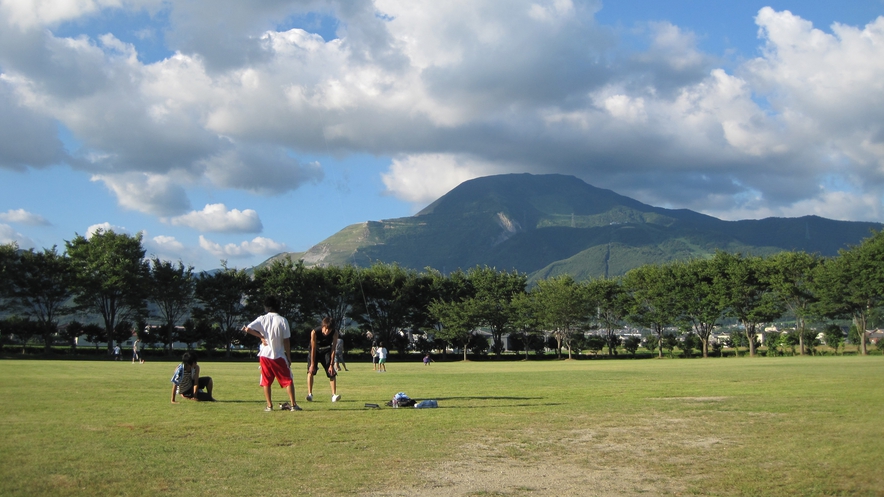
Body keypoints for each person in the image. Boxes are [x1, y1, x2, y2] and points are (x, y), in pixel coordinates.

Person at [242, 296, 302, 412]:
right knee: (288, 380)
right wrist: (289, 356)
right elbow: (286, 340)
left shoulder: (262, 318)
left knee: (266, 381)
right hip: (278, 355)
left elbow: (247, 328)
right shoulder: (282, 320)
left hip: (264, 355)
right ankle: (293, 405)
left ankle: (269, 406)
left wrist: (261, 337)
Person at [306, 317, 341, 402]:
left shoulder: (335, 333)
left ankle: (333, 395)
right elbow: (313, 348)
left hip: (326, 351)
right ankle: (310, 394)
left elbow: (333, 349)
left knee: (332, 373)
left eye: (329, 330)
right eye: (325, 329)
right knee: (311, 371)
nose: (326, 332)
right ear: (323, 326)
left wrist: (332, 365)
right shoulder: (314, 332)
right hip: (315, 350)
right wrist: (312, 364)